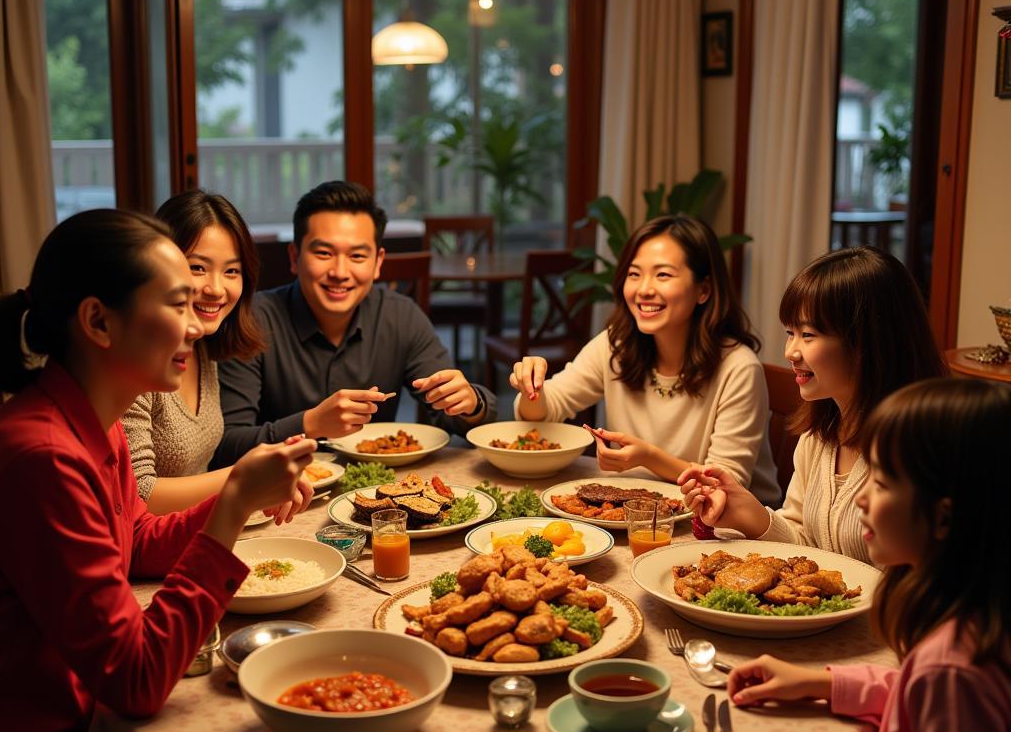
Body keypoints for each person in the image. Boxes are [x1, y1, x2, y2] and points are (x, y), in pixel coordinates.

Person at [0, 210, 315, 732]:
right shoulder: (40, 454)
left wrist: (239, 499)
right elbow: (135, 680)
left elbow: (132, 541)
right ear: (99, 322)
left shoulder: (88, 415)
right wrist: (225, 511)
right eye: (177, 302)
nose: (197, 324)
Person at [727, 378, 1011, 732]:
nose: (860, 498)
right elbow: (915, 697)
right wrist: (823, 683)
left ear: (943, 518)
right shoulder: (973, 621)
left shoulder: (952, 668)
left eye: (879, 483)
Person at [679, 246, 947, 562]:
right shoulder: (818, 438)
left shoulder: (920, 447)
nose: (790, 351)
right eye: (790, 333)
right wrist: (749, 514)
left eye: (808, 334)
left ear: (867, 342)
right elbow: (805, 542)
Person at [214, 180, 496, 464]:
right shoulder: (252, 320)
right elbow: (225, 446)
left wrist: (470, 403)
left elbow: (463, 418)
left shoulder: (400, 316)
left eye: (357, 256)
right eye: (323, 253)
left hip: (377, 491)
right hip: (277, 496)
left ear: (377, 263)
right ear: (295, 257)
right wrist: (310, 423)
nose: (340, 271)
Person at [510, 214, 780, 504]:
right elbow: (547, 409)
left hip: (732, 533)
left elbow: (725, 486)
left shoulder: (738, 368)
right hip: (643, 513)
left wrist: (648, 457)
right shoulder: (616, 345)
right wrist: (532, 388)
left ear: (704, 289)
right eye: (634, 274)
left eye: (663, 275)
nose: (644, 289)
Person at [121, 190, 311, 518]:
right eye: (197, 267)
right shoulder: (135, 361)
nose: (216, 288)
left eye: (231, 271)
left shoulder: (205, 346)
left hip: (190, 530)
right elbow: (138, 492)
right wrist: (243, 478)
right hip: (144, 549)